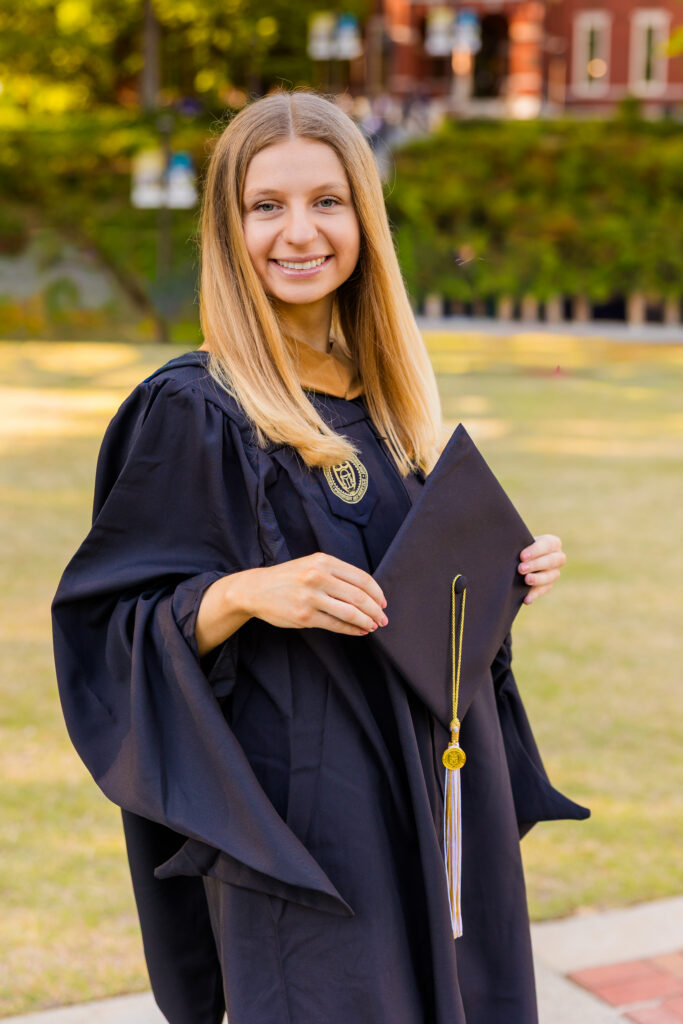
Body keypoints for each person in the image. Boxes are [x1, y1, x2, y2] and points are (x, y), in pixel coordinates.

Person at [52, 89, 581, 1024]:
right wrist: (250, 593)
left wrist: (491, 585)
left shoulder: (386, 406)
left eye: (327, 202)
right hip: (305, 828)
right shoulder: (194, 409)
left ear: (363, 220)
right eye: (267, 206)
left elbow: (407, 618)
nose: (299, 232)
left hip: (430, 803)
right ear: (229, 227)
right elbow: (111, 631)